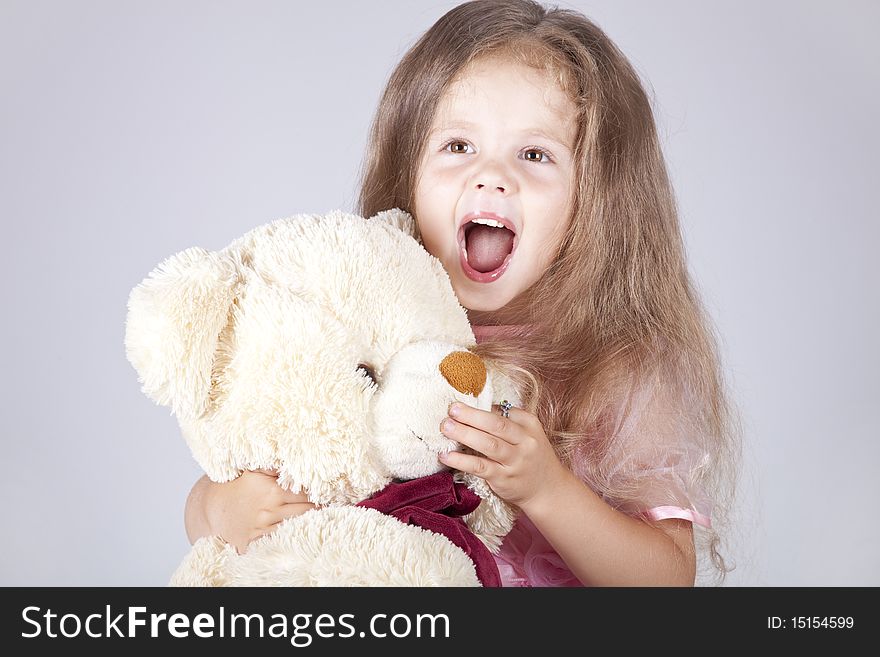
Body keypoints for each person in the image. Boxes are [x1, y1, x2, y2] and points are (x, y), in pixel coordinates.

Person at [184, 0, 740, 586]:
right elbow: (243, 467)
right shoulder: (360, 335)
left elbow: (666, 583)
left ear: (596, 201)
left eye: (534, 154)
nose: (491, 175)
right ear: (408, 173)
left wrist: (547, 489)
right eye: (457, 146)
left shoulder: (621, 369)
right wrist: (217, 508)